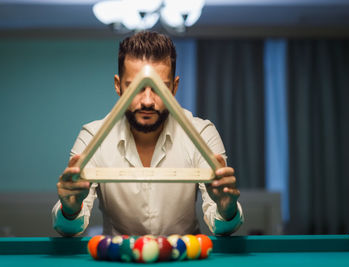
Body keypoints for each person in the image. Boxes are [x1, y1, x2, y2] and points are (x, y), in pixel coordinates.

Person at [52, 31, 243, 237]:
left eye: (160, 87)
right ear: (118, 85)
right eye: (135, 87)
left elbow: (224, 227)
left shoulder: (202, 133)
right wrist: (70, 210)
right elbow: (68, 230)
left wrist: (226, 209)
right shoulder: (92, 136)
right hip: (118, 260)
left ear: (174, 87)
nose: (147, 101)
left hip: (183, 259)